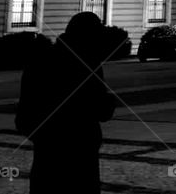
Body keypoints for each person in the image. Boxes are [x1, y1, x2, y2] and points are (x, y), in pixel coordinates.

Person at [16, 12, 117, 194]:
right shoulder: (88, 63)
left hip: (49, 152)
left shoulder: (40, 61)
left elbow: (24, 116)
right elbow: (100, 110)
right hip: (79, 151)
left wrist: (42, 137)